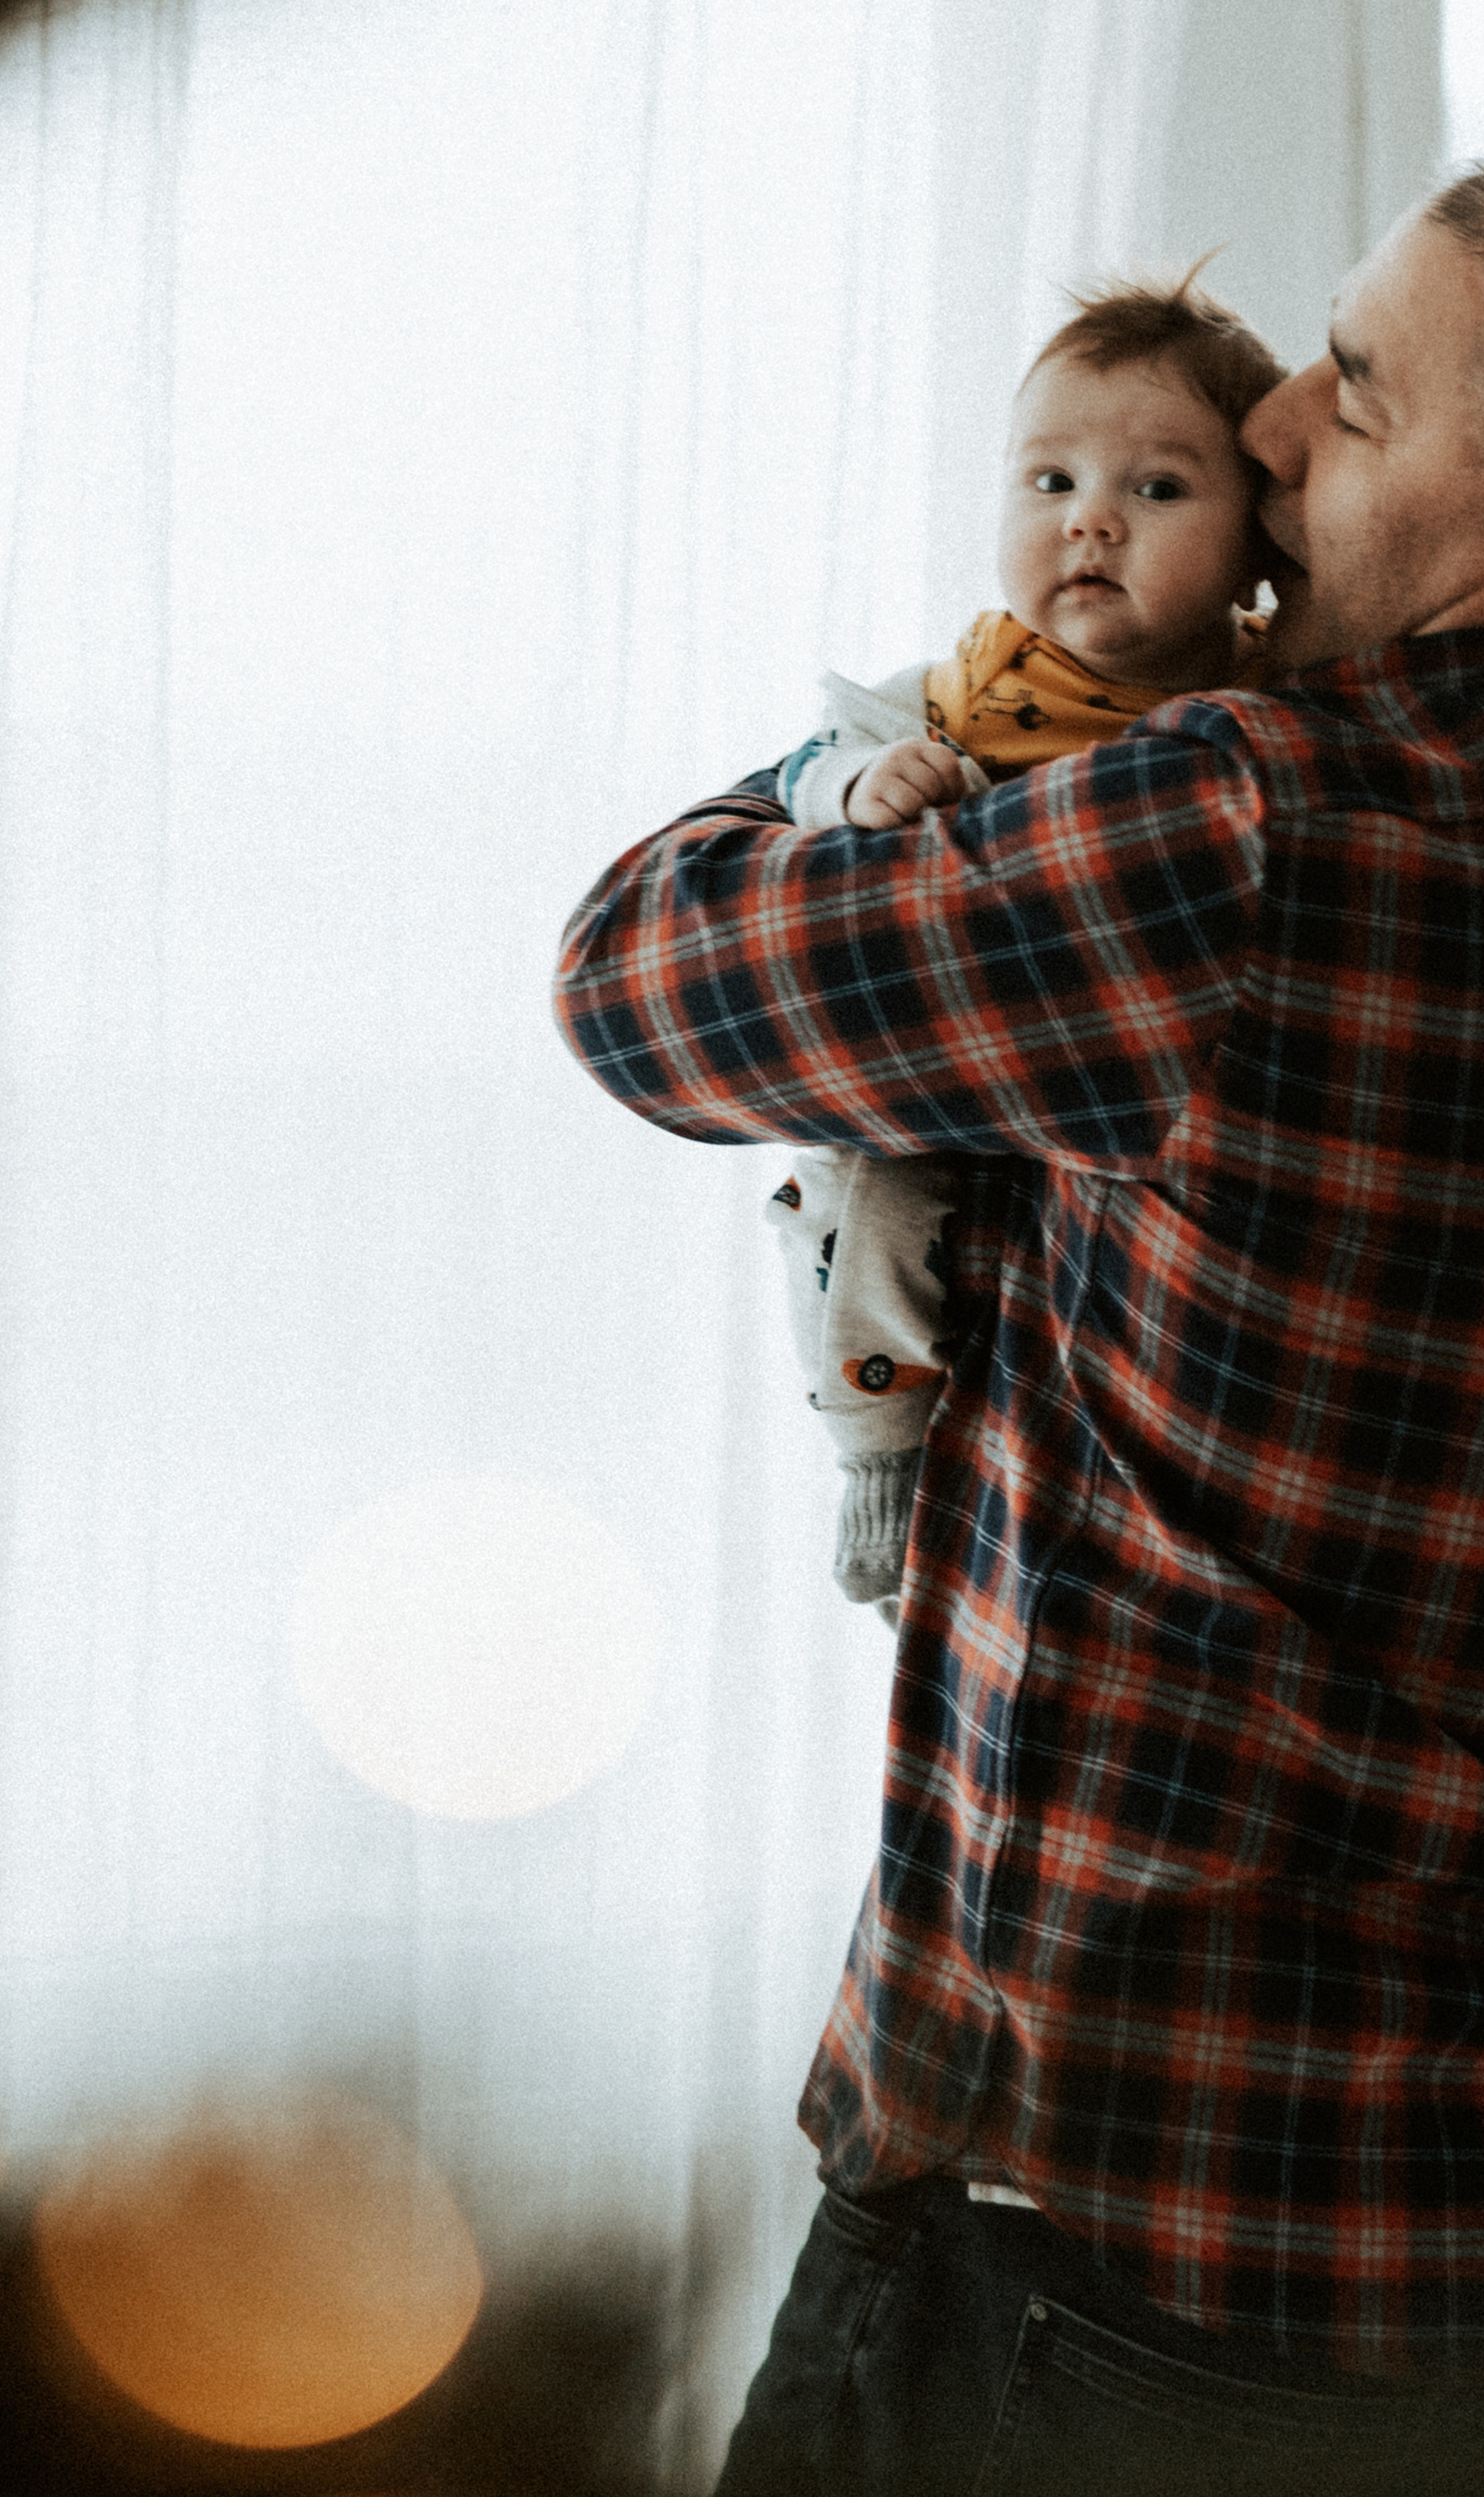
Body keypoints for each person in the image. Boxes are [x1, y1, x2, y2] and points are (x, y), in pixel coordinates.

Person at [553, 172, 1484, 2494]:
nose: (1270, 424)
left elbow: (635, 984)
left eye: (1357, 393)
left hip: (1091, 2223)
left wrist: (830, 776)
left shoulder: (1250, 836)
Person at [774, 277, 1280, 1622]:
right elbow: (816, 751)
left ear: (1258, 546)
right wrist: (857, 788)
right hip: (941, 1068)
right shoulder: (969, 688)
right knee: (875, 1211)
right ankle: (878, 1461)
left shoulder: (1261, 703)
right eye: (1048, 479)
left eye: (1159, 490)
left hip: (1114, 1120)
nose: (1091, 520)